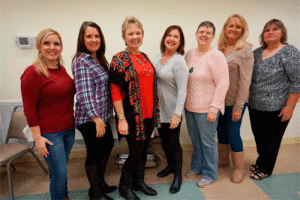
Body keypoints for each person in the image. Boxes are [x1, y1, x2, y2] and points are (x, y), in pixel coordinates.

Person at [21, 29, 75, 200]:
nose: (52, 47)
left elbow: (64, 96)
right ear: (39, 46)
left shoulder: (61, 69)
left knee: (60, 171)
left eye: (56, 44)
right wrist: (37, 138)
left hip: (68, 129)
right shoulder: (32, 73)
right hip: (50, 134)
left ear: (61, 47)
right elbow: (29, 109)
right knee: (59, 173)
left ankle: (64, 196)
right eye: (47, 43)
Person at [110, 16, 160, 200]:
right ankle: (124, 186)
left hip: (147, 115)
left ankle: (139, 182)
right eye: (130, 33)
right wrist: (121, 118)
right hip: (131, 117)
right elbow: (114, 91)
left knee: (144, 150)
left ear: (143, 35)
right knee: (135, 152)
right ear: (124, 36)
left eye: (138, 33)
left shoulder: (145, 57)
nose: (134, 36)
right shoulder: (119, 59)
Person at [248, 19, 300, 180]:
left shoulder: (289, 52)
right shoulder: (256, 53)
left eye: (275, 29)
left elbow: (297, 81)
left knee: (271, 141)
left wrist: (290, 107)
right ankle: (261, 161)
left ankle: (266, 168)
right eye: (267, 30)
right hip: (255, 104)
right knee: (259, 138)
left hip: (278, 107)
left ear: (282, 33)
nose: (270, 32)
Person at [72, 21, 116, 199]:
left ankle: (100, 182)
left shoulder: (98, 58)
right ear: (82, 39)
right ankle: (95, 192)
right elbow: (84, 95)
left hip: (102, 117)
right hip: (89, 119)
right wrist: (96, 119)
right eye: (89, 36)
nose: (93, 39)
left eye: (96, 36)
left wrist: (108, 115)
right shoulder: (81, 61)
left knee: (108, 145)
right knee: (95, 152)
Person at [185, 21, 229, 187]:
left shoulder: (216, 55)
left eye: (208, 32)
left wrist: (214, 108)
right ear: (196, 34)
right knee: (195, 141)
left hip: (207, 109)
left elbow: (223, 83)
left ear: (212, 36)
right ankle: (197, 167)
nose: (204, 34)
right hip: (190, 108)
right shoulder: (189, 54)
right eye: (201, 31)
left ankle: (210, 174)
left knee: (208, 143)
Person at [216, 14, 254, 183]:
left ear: (242, 31)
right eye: (230, 25)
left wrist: (238, 107)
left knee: (233, 133)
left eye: (238, 27)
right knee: (221, 131)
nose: (233, 29)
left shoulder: (244, 50)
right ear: (225, 28)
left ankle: (238, 168)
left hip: (235, 101)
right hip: (219, 102)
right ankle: (223, 160)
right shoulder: (219, 49)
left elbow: (246, 81)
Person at [152, 25, 188, 194]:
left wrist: (177, 114)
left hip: (172, 109)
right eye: (169, 35)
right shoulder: (158, 57)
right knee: (164, 141)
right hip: (159, 110)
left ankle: (178, 176)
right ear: (164, 37)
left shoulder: (179, 60)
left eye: (176, 36)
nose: (171, 39)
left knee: (174, 144)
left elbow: (183, 90)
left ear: (180, 42)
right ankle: (170, 166)